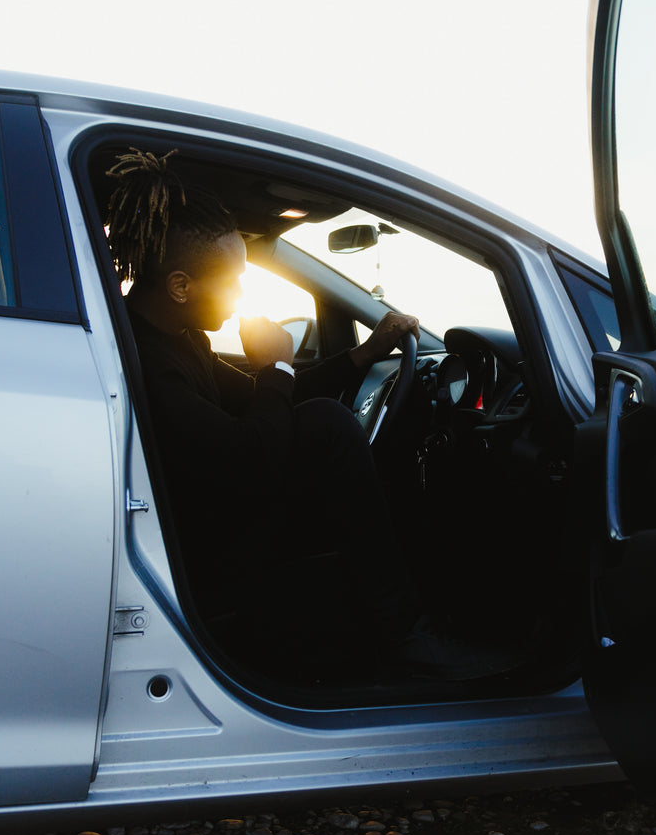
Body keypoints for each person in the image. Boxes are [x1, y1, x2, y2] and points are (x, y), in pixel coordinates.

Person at [105, 148, 516, 680]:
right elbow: (246, 458)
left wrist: (361, 357)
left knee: (320, 420)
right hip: (201, 550)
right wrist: (277, 362)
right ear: (181, 286)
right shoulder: (148, 359)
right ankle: (405, 635)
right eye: (230, 283)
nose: (239, 296)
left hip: (215, 512)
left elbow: (263, 397)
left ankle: (401, 622)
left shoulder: (178, 337)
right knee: (326, 426)